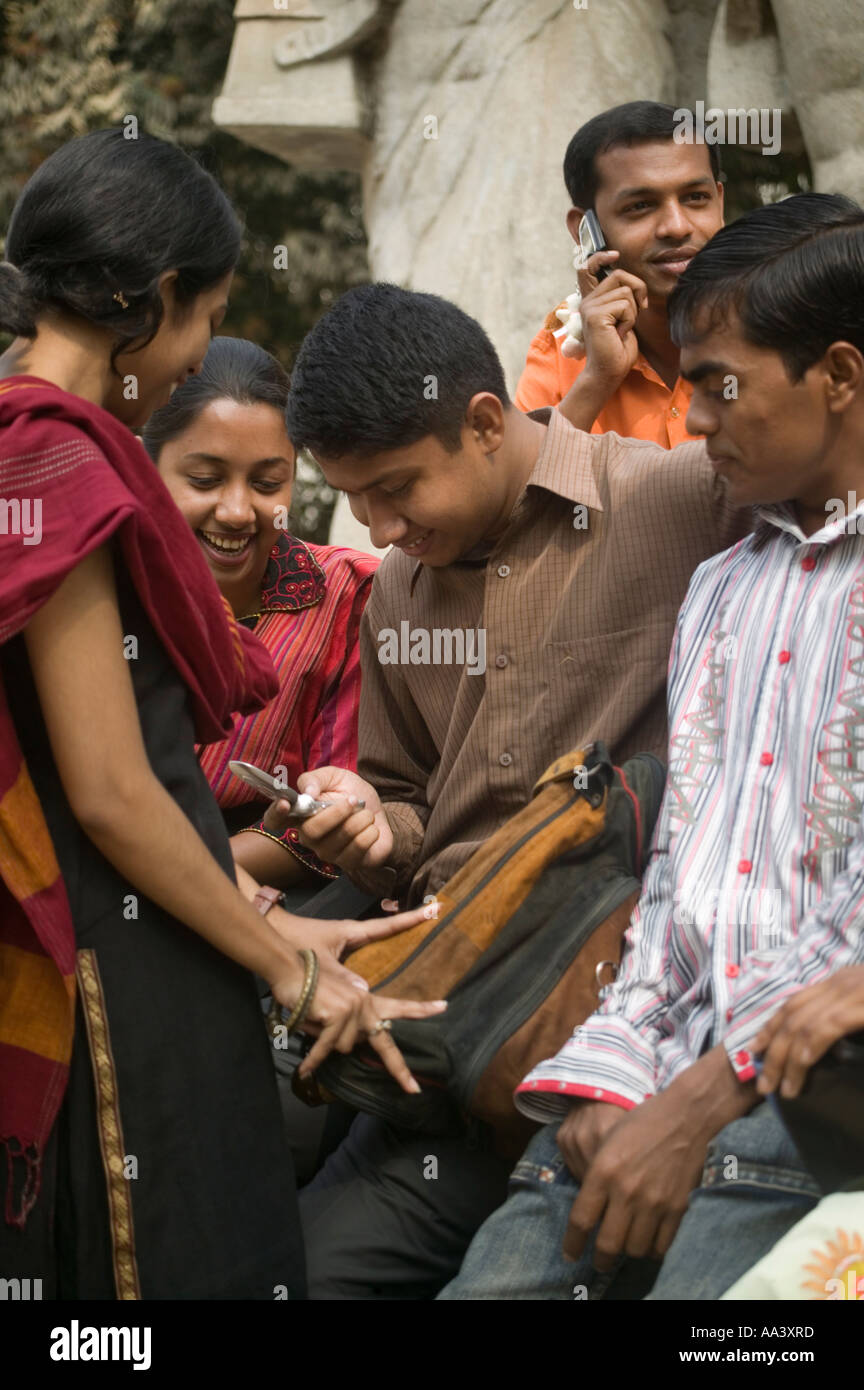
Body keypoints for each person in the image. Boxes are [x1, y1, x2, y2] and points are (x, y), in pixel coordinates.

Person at [0, 128, 443, 1299]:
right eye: (206, 317)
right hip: (123, 964)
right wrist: (283, 967)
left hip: (138, 922)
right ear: (153, 299)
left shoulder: (29, 445)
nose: (199, 350)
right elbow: (109, 784)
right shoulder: (60, 464)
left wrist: (287, 935)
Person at [277, 280, 749, 1298]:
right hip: (439, 1042)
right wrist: (369, 819)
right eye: (354, 498)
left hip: (614, 1051)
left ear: (486, 421)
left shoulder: (679, 504)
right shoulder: (400, 584)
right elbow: (405, 794)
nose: (380, 525)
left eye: (396, 488)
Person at [439, 191, 864, 1301]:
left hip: (820, 1101)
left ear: (839, 377)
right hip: (662, 1070)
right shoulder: (722, 588)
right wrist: (617, 1072)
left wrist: (709, 1099)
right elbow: (684, 872)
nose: (694, 418)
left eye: (721, 384)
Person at [143, 335, 378, 898]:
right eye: (203, 480)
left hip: (257, 879)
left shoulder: (347, 596)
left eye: (268, 483)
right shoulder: (97, 591)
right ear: (145, 471)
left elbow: (327, 818)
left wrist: (179, 873)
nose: (236, 510)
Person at [515, 101, 724, 445]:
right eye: (640, 206)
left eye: (696, 197)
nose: (676, 226)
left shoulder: (781, 324)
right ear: (585, 230)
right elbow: (523, 497)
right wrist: (598, 378)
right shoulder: (561, 348)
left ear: (720, 204)